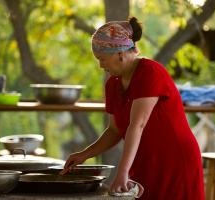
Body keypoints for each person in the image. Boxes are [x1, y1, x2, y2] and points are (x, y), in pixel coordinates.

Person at [60, 17, 205, 200]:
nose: (100, 65)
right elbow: (114, 130)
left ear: (120, 54)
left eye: (102, 59)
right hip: (145, 162)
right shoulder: (112, 84)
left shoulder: (150, 72)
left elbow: (137, 125)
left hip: (174, 161)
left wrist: (123, 172)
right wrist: (84, 154)